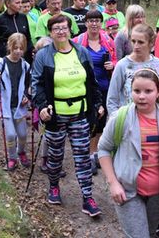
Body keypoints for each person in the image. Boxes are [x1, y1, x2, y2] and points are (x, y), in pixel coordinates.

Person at [31, 14, 104, 217]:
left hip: (80, 114)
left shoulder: (81, 52)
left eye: (64, 28)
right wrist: (42, 107)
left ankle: (88, 197)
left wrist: (97, 103)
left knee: (82, 157)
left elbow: (92, 81)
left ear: (70, 30)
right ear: (50, 32)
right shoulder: (43, 55)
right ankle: (54, 186)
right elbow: (36, 84)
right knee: (55, 156)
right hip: (55, 115)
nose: (61, 32)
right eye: (57, 29)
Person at [98, 69, 159, 238]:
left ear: (158, 92)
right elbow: (103, 149)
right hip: (127, 191)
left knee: (150, 233)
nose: (141, 96)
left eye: (148, 91)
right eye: (137, 91)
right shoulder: (120, 117)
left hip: (158, 192)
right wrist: (113, 183)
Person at [72, 9, 117, 171]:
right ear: (86, 23)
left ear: (101, 23)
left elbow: (116, 59)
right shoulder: (77, 41)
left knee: (101, 121)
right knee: (88, 121)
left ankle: (95, 152)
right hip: (85, 89)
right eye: (91, 21)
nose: (94, 24)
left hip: (105, 87)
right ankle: (87, 155)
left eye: (97, 21)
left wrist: (113, 64)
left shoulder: (108, 41)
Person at [0, 33, 31, 170]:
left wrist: (26, 96)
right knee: (11, 134)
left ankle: (21, 151)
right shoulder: (1, 64)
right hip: (5, 106)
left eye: (21, 48)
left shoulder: (25, 66)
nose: (18, 51)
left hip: (19, 106)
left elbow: (27, 84)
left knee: (23, 134)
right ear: (9, 47)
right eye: (15, 48)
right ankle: (12, 158)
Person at [107, 24, 159, 115]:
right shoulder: (122, 65)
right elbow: (112, 99)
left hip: (152, 121)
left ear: (151, 43)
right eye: (133, 41)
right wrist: (117, 121)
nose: (136, 46)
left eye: (140, 42)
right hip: (127, 120)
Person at [0, 0, 34, 64]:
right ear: (8, 3)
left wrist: (32, 51)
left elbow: (28, 39)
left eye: (21, 2)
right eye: (17, 3)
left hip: (24, 61)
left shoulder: (23, 17)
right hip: (6, 61)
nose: (20, 5)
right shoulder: (0, 20)